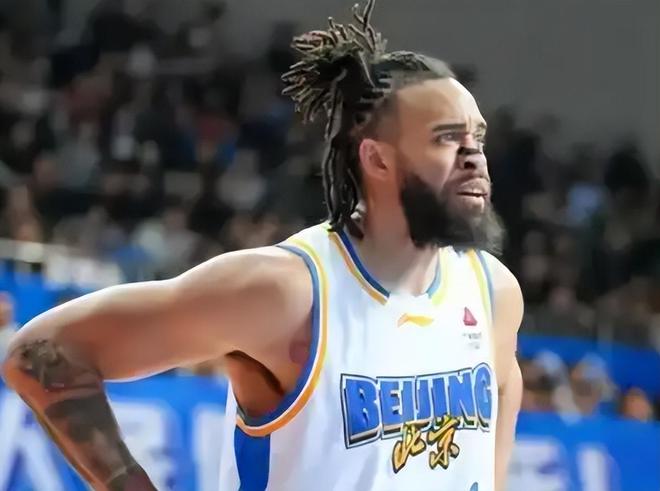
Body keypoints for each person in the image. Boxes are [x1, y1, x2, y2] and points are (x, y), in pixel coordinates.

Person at [1, 1, 523, 490]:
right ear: (378, 159)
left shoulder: (493, 291)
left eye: (476, 137)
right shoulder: (287, 293)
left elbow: (503, 385)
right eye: (446, 138)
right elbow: (42, 353)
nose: (474, 156)